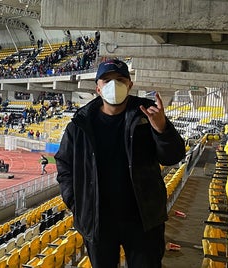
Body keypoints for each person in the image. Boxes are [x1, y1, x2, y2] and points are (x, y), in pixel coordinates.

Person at [55, 59, 185, 268]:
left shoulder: (147, 116)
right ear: (98, 88)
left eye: (120, 79)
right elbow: (64, 165)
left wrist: (162, 130)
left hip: (143, 219)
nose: (114, 85)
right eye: (107, 80)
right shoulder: (80, 125)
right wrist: (75, 202)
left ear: (130, 85)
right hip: (98, 221)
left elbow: (172, 157)